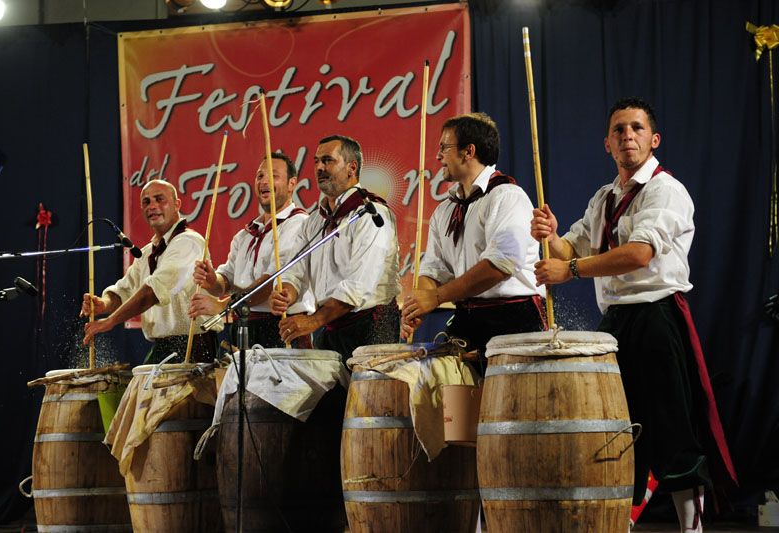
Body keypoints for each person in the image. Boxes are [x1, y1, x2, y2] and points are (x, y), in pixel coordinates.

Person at [530, 97, 737, 532]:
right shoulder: (605, 197)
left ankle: (691, 527)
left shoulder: (665, 190)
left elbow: (639, 254)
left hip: (658, 316)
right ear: (607, 143)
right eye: (619, 130)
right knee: (619, 427)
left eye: (637, 129)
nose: (628, 136)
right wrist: (551, 237)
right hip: (616, 324)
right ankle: (619, 519)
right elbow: (575, 247)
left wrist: (568, 270)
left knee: (672, 425)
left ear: (653, 139)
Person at [400, 112, 545, 356]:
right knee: (450, 387)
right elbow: (434, 269)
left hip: (513, 317)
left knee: (508, 394)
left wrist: (435, 297)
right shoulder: (445, 210)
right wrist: (419, 305)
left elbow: (499, 267)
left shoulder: (507, 196)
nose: (438, 156)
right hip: (468, 316)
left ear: (468, 151)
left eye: (444, 147)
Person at [269, 135, 401, 361]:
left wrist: (313, 321)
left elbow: (358, 285)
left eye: (328, 160)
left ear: (352, 168)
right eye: (316, 161)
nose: (319, 167)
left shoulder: (371, 214)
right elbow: (295, 269)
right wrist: (286, 292)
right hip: (330, 324)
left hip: (372, 327)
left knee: (365, 395)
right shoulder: (314, 221)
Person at [81, 179, 221, 363]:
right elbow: (124, 291)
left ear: (177, 204)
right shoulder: (148, 252)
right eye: (146, 202)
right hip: (163, 347)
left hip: (195, 345)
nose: (152, 206)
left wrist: (111, 321)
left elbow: (153, 291)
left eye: (159, 199)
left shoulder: (189, 242)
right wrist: (104, 305)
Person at [188, 152, 314, 349]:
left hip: (282, 327)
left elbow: (272, 280)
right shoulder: (245, 234)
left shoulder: (299, 224)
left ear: (292, 183)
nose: (264, 181)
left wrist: (223, 307)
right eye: (260, 176)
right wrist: (213, 280)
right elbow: (227, 281)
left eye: (274, 176)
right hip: (244, 325)